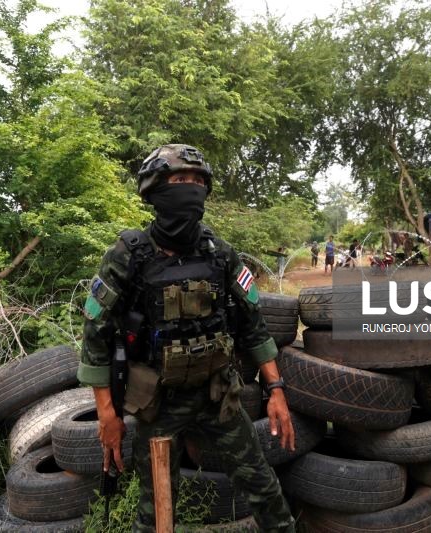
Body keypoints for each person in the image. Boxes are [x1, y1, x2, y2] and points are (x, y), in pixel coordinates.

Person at [77, 144, 296, 532]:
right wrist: (106, 414)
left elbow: (252, 323)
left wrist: (275, 387)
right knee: (157, 508)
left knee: (263, 486)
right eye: (180, 180)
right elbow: (96, 333)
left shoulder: (218, 252)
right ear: (155, 190)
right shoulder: (130, 254)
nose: (190, 189)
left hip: (218, 395)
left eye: (198, 181)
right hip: (158, 403)